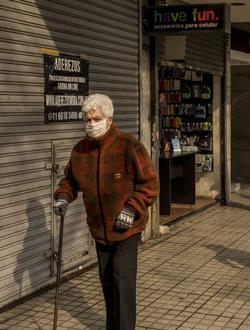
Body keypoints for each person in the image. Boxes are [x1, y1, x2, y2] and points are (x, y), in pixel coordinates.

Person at [52, 94, 159, 329]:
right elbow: (70, 180)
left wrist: (131, 209)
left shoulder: (128, 145)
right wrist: (63, 197)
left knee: (122, 279)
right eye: (87, 119)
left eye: (96, 118)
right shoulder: (80, 151)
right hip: (100, 229)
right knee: (108, 281)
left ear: (109, 119)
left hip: (127, 227)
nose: (91, 124)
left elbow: (150, 184)